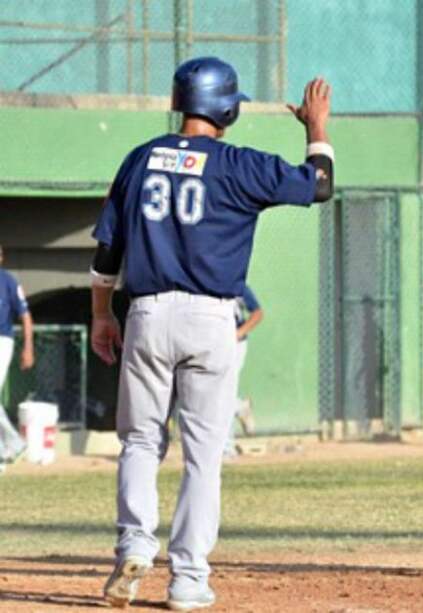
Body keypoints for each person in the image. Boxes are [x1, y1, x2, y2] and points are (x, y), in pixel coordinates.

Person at [90, 56, 334, 610]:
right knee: (202, 454)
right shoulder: (238, 164)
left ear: (179, 102)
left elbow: (108, 250)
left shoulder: (140, 158)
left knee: (140, 440)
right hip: (210, 318)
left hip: (147, 313)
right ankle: (188, 580)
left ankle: (132, 544)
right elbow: (318, 187)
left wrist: (103, 315)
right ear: (227, 107)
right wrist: (316, 126)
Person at [0, 244, 33, 466]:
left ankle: (11, 444)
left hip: (2, 340)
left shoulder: (8, 281)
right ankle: (8, 447)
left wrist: (28, 347)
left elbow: (25, 316)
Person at [223, 285, 262, 458]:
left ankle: (227, 448)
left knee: (224, 392)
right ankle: (240, 408)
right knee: (218, 394)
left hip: (235, 344)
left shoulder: (237, 284)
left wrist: (239, 333)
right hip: (211, 341)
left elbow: (257, 312)